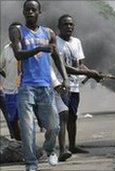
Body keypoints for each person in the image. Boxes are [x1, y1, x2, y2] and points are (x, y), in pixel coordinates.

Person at [9, 1, 69, 170]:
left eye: (33, 10)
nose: (30, 12)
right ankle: (31, 163)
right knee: (28, 128)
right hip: (26, 87)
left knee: (54, 126)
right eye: (27, 9)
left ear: (39, 12)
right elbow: (18, 54)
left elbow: (57, 57)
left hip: (45, 87)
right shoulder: (17, 31)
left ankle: (49, 149)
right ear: (23, 12)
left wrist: (64, 78)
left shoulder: (48, 32)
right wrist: (40, 49)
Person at [55, 14, 101, 154]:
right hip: (61, 85)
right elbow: (62, 66)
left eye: (71, 24)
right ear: (59, 27)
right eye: (65, 24)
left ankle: (73, 146)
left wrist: (93, 73)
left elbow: (79, 64)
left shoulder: (76, 42)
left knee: (73, 117)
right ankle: (63, 149)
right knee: (63, 116)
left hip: (74, 86)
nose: (69, 27)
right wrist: (89, 73)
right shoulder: (55, 42)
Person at [0, 23, 23, 141]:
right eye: (11, 32)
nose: (13, 35)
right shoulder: (6, 49)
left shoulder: (28, 46)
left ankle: (28, 147)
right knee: (12, 119)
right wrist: (7, 76)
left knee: (24, 118)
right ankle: (19, 143)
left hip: (25, 88)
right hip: (10, 90)